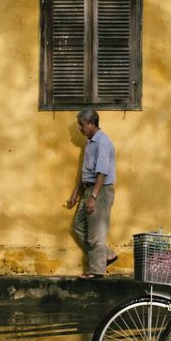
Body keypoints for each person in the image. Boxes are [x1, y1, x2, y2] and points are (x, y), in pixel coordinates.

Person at [64, 108, 117, 279]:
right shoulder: (90, 141)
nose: (80, 129)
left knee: (96, 233)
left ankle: (96, 271)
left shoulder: (102, 142)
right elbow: (84, 170)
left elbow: (102, 173)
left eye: (82, 125)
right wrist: (75, 193)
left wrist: (93, 197)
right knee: (78, 226)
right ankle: (107, 255)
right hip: (88, 189)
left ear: (92, 123)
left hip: (99, 191)